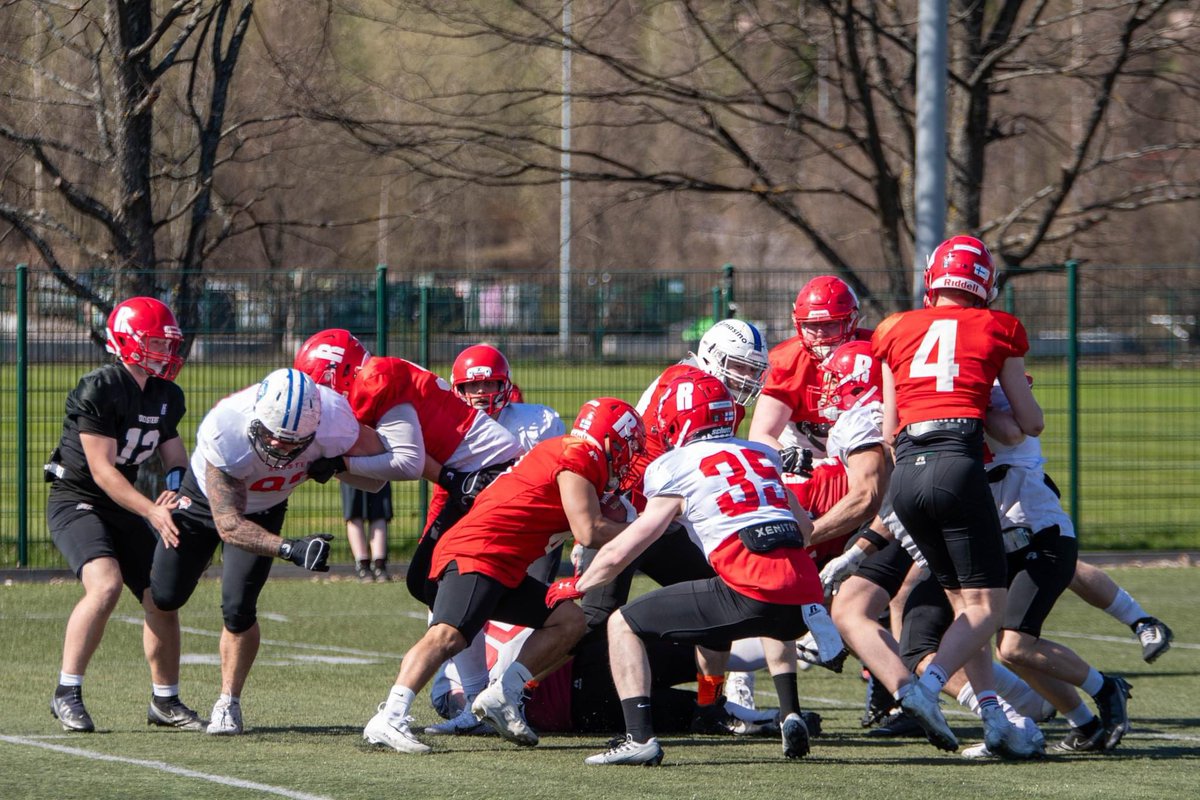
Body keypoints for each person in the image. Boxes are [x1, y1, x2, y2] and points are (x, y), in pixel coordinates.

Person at [562, 373, 841, 766]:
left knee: (622, 623)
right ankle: (788, 709)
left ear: (677, 420)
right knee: (769, 598)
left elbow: (630, 543)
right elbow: (806, 529)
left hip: (748, 589)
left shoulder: (673, 466)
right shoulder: (762, 456)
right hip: (801, 595)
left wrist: (579, 585)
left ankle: (638, 738)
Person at [361, 398, 645, 754]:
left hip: (504, 564)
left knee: (568, 620)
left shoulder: (572, 455)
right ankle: (390, 716)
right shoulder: (578, 454)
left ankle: (502, 695)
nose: (628, 457)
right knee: (448, 635)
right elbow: (588, 531)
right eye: (628, 447)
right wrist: (643, 528)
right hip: (480, 551)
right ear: (610, 439)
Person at [871, 234, 1044, 759]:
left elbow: (888, 428)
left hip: (906, 476)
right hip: (957, 465)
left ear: (933, 282)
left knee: (964, 608)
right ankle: (923, 690)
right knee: (988, 609)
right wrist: (993, 405)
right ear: (984, 285)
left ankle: (994, 719)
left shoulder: (893, 328)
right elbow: (1029, 423)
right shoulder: (999, 327)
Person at [150, 368, 387, 735]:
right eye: (273, 437)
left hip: (266, 506)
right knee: (164, 595)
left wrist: (339, 465)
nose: (280, 448)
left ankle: (228, 702)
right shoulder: (226, 427)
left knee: (238, 609)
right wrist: (290, 548)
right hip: (202, 501)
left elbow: (380, 475)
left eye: (294, 443)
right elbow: (228, 525)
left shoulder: (336, 420)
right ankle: (163, 697)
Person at [578, 319, 773, 732]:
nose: (745, 378)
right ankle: (540, 692)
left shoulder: (719, 396)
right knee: (594, 618)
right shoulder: (685, 384)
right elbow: (689, 465)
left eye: (751, 369)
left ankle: (709, 706)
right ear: (710, 356)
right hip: (629, 513)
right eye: (737, 366)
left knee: (719, 600)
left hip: (665, 517)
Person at [44, 297, 201, 732]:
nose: (165, 353)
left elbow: (175, 458)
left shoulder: (167, 394)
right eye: (155, 343)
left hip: (123, 503)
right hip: (78, 499)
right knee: (106, 584)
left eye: (168, 345)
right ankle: (67, 691)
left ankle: (165, 702)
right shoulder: (101, 386)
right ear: (127, 340)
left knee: (162, 595)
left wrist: (173, 493)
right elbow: (102, 471)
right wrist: (151, 510)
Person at [420, 342, 566, 737]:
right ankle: (474, 701)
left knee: (534, 610)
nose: (480, 395)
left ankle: (513, 694)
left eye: (489, 386)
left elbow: (563, 474)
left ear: (506, 385)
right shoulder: (449, 428)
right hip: (475, 535)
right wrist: (431, 540)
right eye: (471, 387)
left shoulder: (538, 422)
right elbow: (442, 493)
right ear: (457, 389)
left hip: (527, 532)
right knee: (451, 614)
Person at [343, 482, 393, 582]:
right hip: (351, 469)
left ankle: (378, 565)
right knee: (354, 510)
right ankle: (364, 565)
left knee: (379, 509)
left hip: (378, 468)